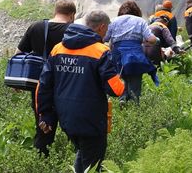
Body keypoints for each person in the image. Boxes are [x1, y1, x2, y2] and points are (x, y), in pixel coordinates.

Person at [36, 10, 125, 173]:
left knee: (84, 153)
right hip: (91, 118)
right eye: (107, 29)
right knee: (93, 164)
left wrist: (45, 114)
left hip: (66, 118)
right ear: (102, 27)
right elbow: (115, 90)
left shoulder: (58, 49)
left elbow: (44, 85)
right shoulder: (100, 51)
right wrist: (121, 79)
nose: (107, 33)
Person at [16, 0, 76, 156]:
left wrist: (17, 82)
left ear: (54, 12)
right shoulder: (74, 30)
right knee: (74, 130)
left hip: (40, 88)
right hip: (67, 86)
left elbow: (19, 54)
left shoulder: (36, 27)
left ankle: (41, 162)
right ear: (72, 15)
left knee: (43, 130)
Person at [104, 0, 159, 103]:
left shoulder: (113, 21)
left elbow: (105, 38)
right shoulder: (140, 21)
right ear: (136, 11)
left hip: (118, 55)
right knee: (135, 81)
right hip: (135, 55)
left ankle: (122, 98)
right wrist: (157, 40)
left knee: (121, 77)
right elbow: (150, 39)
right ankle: (134, 103)